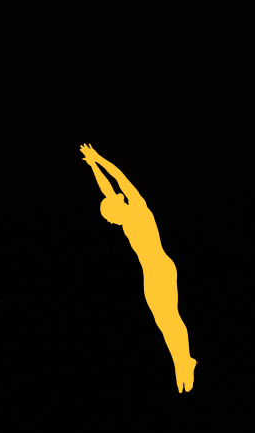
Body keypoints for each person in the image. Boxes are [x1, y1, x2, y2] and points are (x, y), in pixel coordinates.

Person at [81, 144, 197, 392]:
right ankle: (180, 361)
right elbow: (106, 189)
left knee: (171, 316)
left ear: (117, 207)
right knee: (161, 320)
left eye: (110, 216)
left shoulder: (138, 208)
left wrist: (99, 158)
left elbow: (119, 179)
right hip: (150, 273)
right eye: (109, 220)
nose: (112, 222)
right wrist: (92, 166)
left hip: (161, 267)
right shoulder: (123, 220)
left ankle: (186, 360)